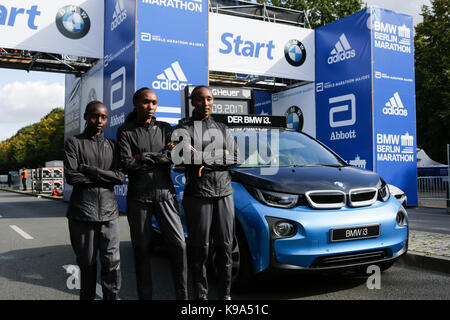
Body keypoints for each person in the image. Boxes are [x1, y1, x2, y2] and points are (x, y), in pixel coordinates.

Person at [117, 88, 187, 300]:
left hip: (166, 195)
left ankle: (182, 298)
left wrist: (144, 157)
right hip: (139, 198)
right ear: (136, 103)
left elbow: (175, 157)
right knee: (141, 250)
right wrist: (159, 156)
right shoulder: (125, 131)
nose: (150, 107)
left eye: (154, 103)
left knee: (179, 245)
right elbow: (127, 164)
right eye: (146, 102)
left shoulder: (166, 128)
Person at [173, 85, 239, 300]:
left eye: (210, 98)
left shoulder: (222, 127)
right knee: (199, 249)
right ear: (193, 102)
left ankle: (225, 296)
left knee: (225, 247)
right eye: (201, 99)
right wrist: (218, 155)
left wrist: (202, 158)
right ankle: (201, 298)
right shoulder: (183, 128)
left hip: (224, 193)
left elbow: (235, 158)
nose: (206, 103)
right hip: (198, 194)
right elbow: (181, 157)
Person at [64, 101, 125, 300]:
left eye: (103, 117)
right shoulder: (73, 143)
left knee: (112, 263)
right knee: (87, 265)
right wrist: (106, 177)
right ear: (85, 116)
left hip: (109, 213)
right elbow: (73, 177)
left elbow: (120, 177)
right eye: (94, 116)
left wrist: (90, 170)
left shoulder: (113, 146)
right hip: (82, 213)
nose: (99, 121)